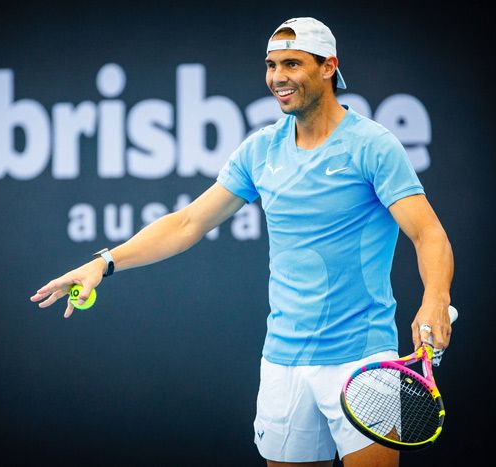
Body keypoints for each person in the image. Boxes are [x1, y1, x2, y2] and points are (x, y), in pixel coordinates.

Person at [30, 16, 454, 467]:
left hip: (363, 358)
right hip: (283, 360)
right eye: (272, 65)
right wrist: (104, 262)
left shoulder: (373, 146)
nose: (278, 78)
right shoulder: (260, 151)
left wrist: (434, 298)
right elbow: (188, 222)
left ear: (329, 66)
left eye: (292, 63)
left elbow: (428, 232)